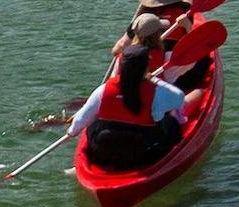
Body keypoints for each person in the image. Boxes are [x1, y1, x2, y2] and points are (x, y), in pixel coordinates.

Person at [71, 40, 186, 169]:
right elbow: (180, 98)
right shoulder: (155, 92)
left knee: (94, 123)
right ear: (146, 67)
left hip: (104, 153)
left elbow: (79, 122)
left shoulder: (103, 90)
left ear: (122, 65)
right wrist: (154, 79)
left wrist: (71, 131)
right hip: (144, 155)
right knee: (170, 122)